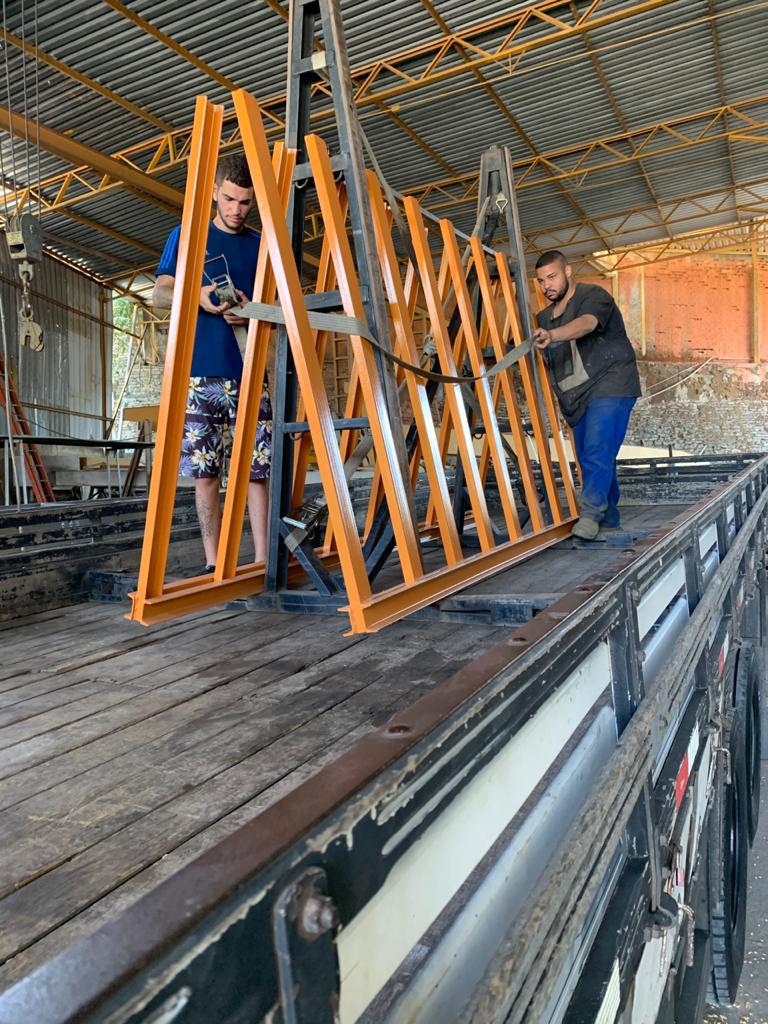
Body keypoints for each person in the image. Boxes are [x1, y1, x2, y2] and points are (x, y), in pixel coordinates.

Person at [152, 153, 271, 571]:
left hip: (250, 370)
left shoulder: (261, 245)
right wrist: (197, 296)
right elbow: (161, 294)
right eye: (229, 199)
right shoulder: (186, 235)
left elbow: (277, 305)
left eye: (245, 202)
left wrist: (252, 310)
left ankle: (259, 561)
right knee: (206, 473)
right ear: (214, 192)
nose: (236, 210)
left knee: (258, 470)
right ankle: (213, 563)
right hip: (200, 373)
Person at [532, 250, 640, 541]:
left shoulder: (594, 296)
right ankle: (610, 518)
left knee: (596, 449)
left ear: (568, 272)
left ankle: (591, 515)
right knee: (591, 456)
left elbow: (587, 323)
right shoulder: (544, 317)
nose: (547, 286)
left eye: (552, 277)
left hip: (611, 383)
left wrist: (553, 336)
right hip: (576, 397)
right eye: (541, 281)